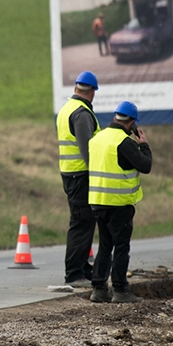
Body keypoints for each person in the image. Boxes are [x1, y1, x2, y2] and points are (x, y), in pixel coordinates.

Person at [87, 101, 152, 304]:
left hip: (98, 201)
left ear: (116, 117)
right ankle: (121, 290)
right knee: (121, 246)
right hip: (119, 203)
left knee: (105, 245)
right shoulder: (124, 142)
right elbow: (146, 165)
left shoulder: (97, 139)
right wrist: (144, 145)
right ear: (131, 122)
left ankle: (98, 288)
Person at [56, 71, 100, 288]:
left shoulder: (66, 109)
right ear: (92, 92)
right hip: (80, 175)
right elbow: (87, 150)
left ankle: (82, 268)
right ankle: (74, 273)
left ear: (76, 88)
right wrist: (98, 174)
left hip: (71, 173)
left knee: (84, 222)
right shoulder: (81, 114)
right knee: (81, 223)